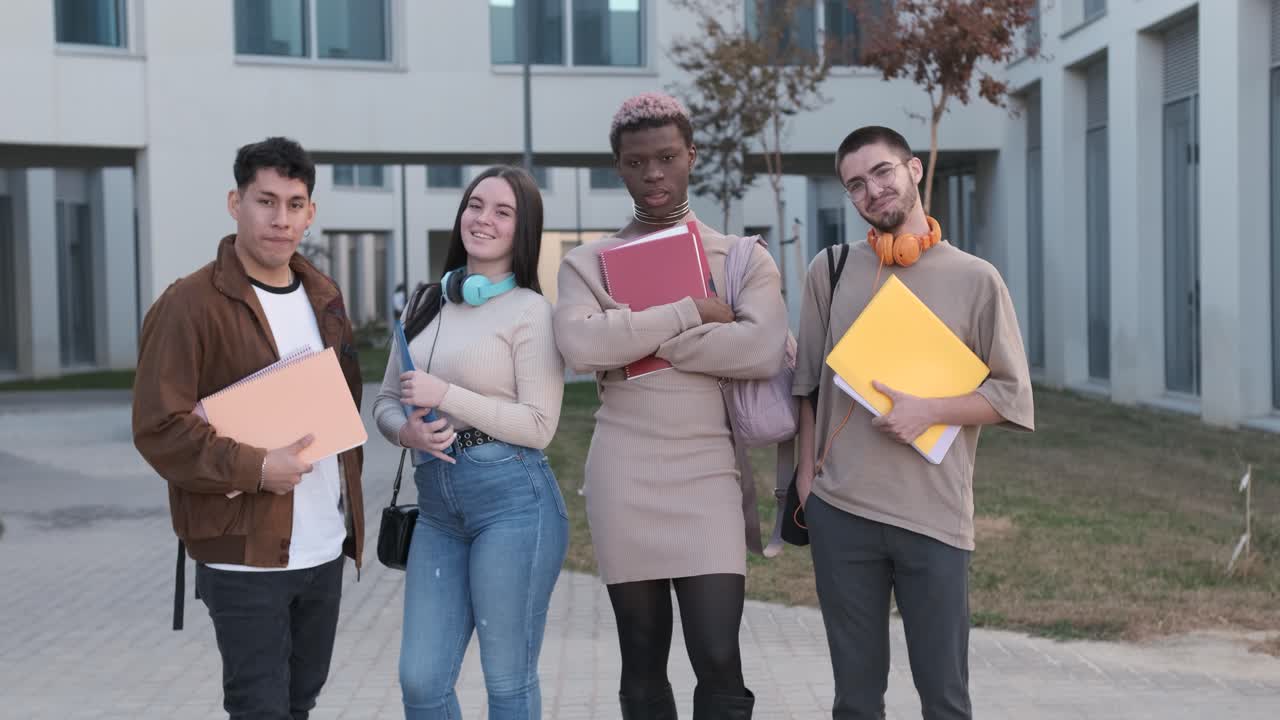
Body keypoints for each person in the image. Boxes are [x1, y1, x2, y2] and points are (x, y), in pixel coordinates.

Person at [553, 92, 789, 720]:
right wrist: (693, 312)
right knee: (641, 662)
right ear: (619, 168)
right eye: (635, 163)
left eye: (666, 157)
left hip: (707, 473)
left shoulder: (740, 257)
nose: (652, 174)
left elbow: (762, 349)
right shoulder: (588, 263)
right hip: (624, 473)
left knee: (718, 656)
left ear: (692, 156)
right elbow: (580, 346)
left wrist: (636, 337)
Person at [792, 125, 1035, 720]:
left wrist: (930, 410)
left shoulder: (977, 279)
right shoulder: (831, 269)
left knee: (945, 698)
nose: (872, 190)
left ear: (914, 169)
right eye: (855, 184)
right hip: (841, 512)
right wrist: (805, 483)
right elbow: (806, 388)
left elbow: (1011, 396)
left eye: (882, 172)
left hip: (935, 516)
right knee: (855, 701)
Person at [132, 136, 366, 719]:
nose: (280, 219)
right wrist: (257, 467)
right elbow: (158, 427)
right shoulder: (188, 304)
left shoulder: (325, 298)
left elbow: (343, 405)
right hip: (244, 554)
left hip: (322, 545)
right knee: (259, 707)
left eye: (294, 204)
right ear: (235, 203)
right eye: (266, 201)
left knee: (299, 702)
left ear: (310, 214)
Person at [373, 165, 568, 719]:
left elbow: (540, 425)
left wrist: (447, 395)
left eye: (503, 212)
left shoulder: (531, 311)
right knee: (421, 681)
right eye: (475, 205)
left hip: (513, 505)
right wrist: (405, 431)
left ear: (522, 230)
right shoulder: (424, 302)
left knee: (507, 680)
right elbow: (385, 400)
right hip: (437, 510)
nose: (483, 219)